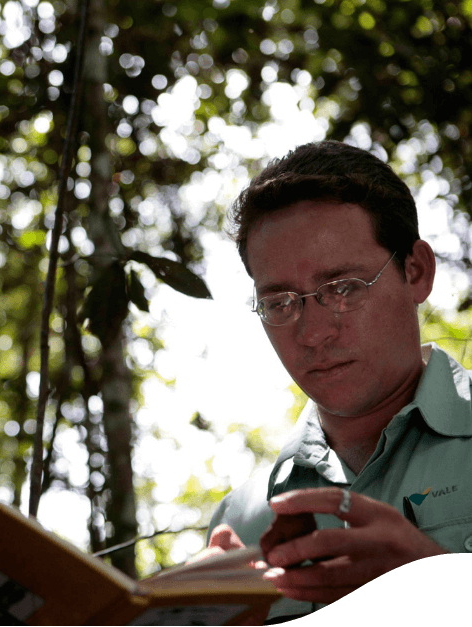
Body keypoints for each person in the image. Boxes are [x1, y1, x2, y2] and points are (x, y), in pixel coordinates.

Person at [187, 140, 472, 624]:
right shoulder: (240, 521)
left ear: (417, 272)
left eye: (343, 289)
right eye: (280, 302)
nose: (314, 332)